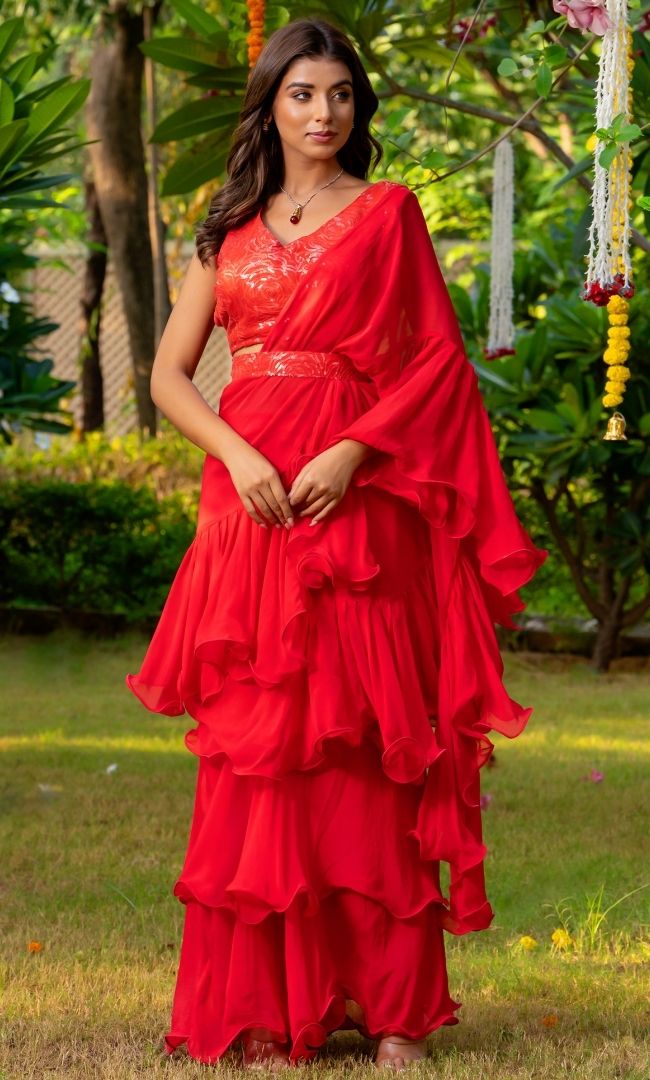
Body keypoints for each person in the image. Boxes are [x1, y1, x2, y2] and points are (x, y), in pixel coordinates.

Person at [126, 15, 548, 1072]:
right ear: (269, 104)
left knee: (363, 749)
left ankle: (394, 1013)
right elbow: (170, 376)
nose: (324, 113)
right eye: (303, 94)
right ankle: (273, 1010)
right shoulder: (225, 226)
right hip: (251, 506)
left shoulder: (388, 213)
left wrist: (354, 451)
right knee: (263, 755)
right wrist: (238, 456)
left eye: (341, 96)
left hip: (349, 507)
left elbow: (436, 363)